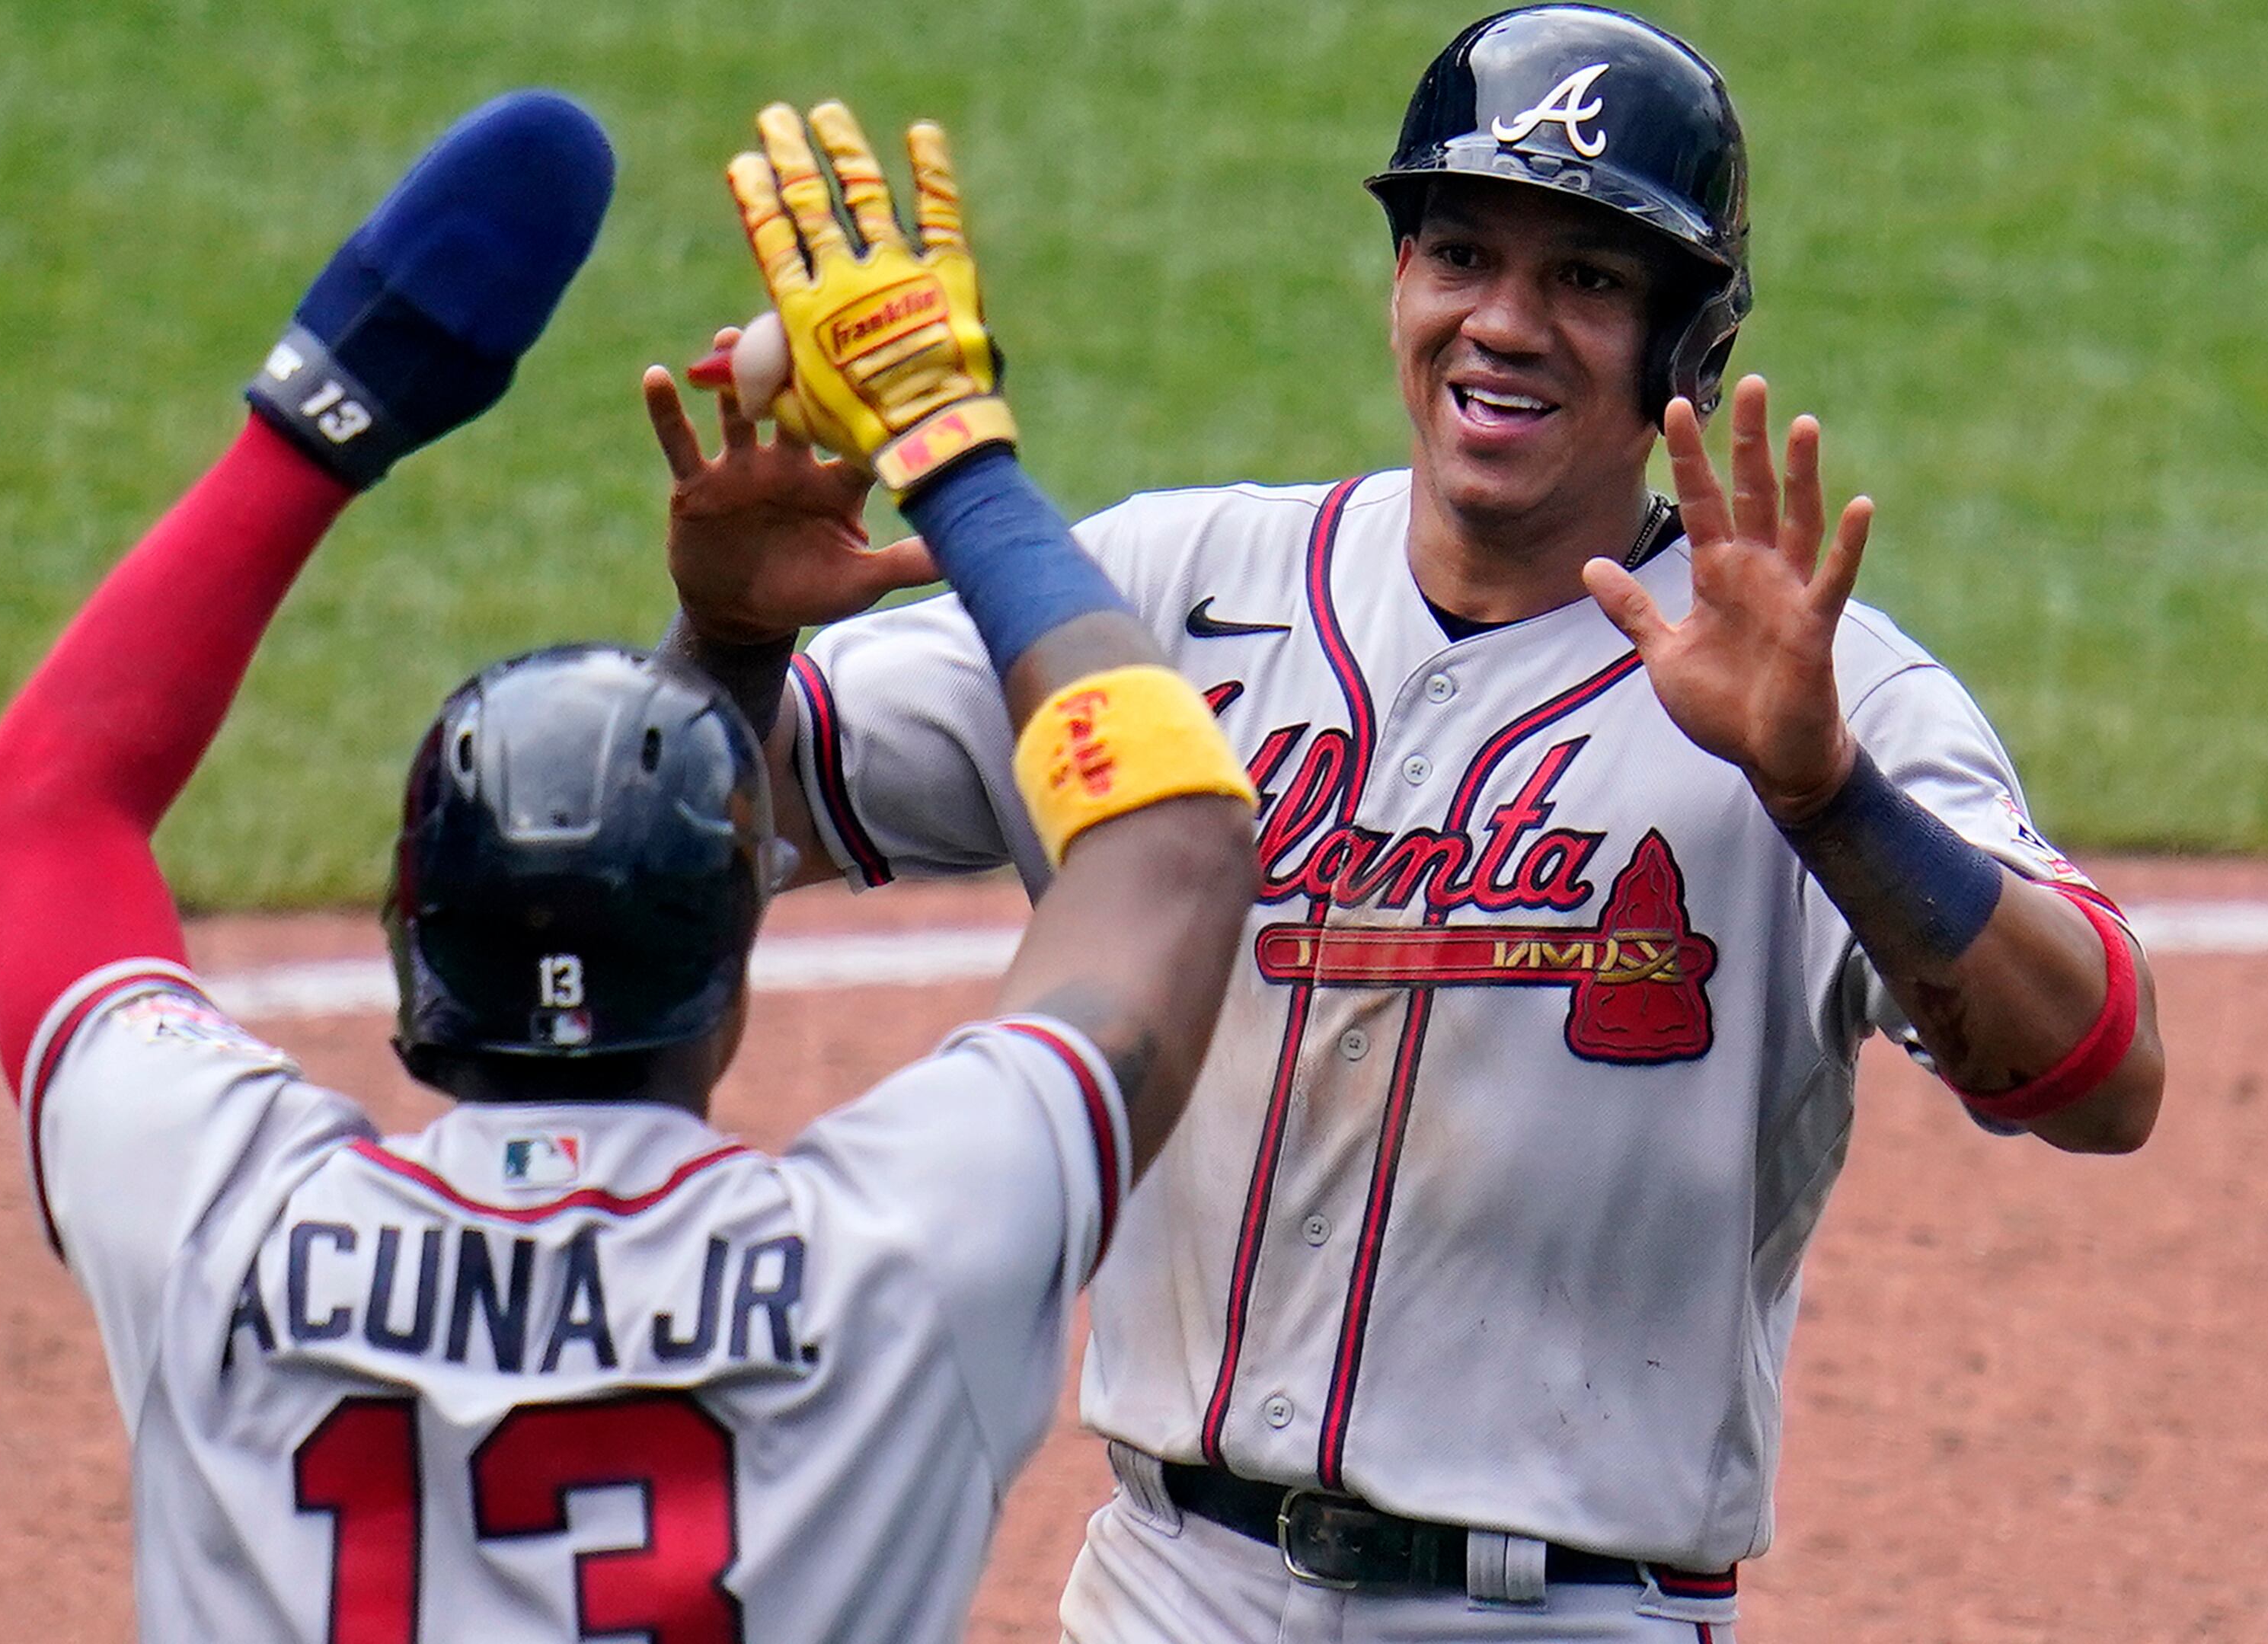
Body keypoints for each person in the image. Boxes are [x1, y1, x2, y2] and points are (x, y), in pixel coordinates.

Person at [651, 9, 2167, 1639]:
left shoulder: (1811, 681)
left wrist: (1825, 793)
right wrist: (728, 645)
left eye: (1586, 280)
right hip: (1172, 1590)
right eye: (1461, 253)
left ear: (1687, 343)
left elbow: (2098, 1073)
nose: (1502, 325)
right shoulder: (1173, 591)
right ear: (1399, 279)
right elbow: (683, 845)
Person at [0, 90, 1257, 1642]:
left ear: (409, 945)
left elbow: (47, 806)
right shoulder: (897, 1258)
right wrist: (949, 452)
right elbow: (1174, 846)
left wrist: (329, 409)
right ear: (730, 971)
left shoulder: (218, 1224)